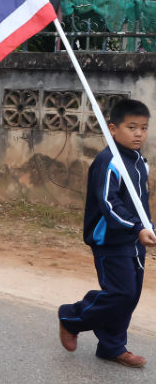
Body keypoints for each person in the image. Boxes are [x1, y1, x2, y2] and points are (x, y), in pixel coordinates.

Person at [58, 99, 155, 367]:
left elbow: (140, 203)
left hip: (135, 240)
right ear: (113, 129)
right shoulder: (109, 161)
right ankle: (71, 317)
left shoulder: (139, 162)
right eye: (131, 127)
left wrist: (147, 227)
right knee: (120, 293)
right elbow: (110, 204)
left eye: (144, 128)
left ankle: (112, 346)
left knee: (130, 296)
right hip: (110, 240)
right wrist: (137, 228)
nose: (138, 134)